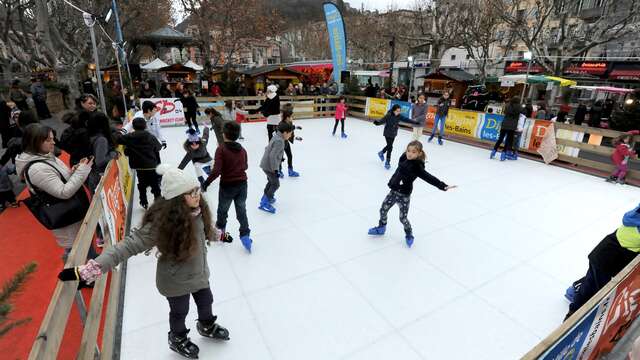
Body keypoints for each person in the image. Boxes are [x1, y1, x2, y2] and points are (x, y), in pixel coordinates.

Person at [56, 164, 230, 359]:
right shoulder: (162, 224)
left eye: (197, 190)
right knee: (180, 310)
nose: (197, 195)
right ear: (177, 200)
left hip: (199, 272)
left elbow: (207, 230)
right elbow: (128, 245)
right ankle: (177, 337)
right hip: (175, 280)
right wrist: (93, 268)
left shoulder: (199, 212)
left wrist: (220, 235)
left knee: (206, 300)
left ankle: (206, 325)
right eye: (190, 193)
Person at [15, 123, 96, 260]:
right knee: (76, 254)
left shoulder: (46, 156)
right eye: (48, 140)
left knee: (85, 248)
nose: (53, 142)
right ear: (35, 142)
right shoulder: (37, 168)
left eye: (52, 138)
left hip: (73, 214)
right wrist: (82, 171)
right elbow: (63, 192)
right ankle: (79, 278)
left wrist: (75, 171)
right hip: (67, 219)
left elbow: (61, 180)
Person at [367, 141, 456, 247]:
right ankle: (381, 227)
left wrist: (442, 186)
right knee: (383, 209)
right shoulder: (403, 157)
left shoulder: (417, 167)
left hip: (404, 195)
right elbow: (398, 171)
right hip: (394, 191)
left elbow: (429, 177)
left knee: (403, 218)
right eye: (408, 150)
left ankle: (409, 234)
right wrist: (393, 182)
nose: (410, 153)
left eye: (413, 152)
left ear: (419, 153)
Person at [564, 204, 640, 320]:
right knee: (593, 288)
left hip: (621, 255)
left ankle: (577, 290)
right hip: (607, 255)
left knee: (596, 282)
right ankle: (572, 317)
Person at [202, 122, 252, 252]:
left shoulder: (221, 149)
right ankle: (245, 235)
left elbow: (217, 170)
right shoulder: (242, 150)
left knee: (222, 211)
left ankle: (221, 233)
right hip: (242, 185)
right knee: (241, 210)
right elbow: (245, 166)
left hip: (227, 186)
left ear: (224, 135)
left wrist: (206, 183)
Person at [115, 117, 162, 209]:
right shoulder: (150, 136)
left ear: (133, 126)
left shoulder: (129, 137)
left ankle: (143, 201)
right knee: (155, 183)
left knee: (142, 183)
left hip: (139, 166)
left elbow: (118, 139)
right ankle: (158, 200)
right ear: (145, 126)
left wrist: (117, 131)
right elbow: (158, 147)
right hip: (151, 165)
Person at [258, 121, 294, 214]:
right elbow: (272, 156)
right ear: (285, 132)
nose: (290, 136)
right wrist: (275, 170)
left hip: (266, 164)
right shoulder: (280, 141)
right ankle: (264, 203)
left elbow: (268, 149)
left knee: (271, 182)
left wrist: (280, 158)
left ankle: (266, 198)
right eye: (290, 133)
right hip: (270, 166)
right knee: (275, 184)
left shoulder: (276, 136)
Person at [374, 104, 421, 170]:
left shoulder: (399, 116)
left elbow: (406, 119)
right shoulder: (388, 115)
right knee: (390, 147)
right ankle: (387, 161)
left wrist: (415, 122)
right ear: (393, 110)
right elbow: (382, 120)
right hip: (387, 133)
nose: (398, 112)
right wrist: (377, 123)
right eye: (397, 111)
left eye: (399, 111)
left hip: (393, 133)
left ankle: (381, 152)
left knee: (389, 145)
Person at [86, 112, 118, 192]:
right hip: (99, 179)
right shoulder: (101, 140)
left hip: (93, 176)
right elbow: (100, 161)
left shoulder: (90, 135)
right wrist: (113, 154)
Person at [490, 96, 520, 161]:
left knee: (500, 139)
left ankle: (494, 151)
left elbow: (504, 112)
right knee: (508, 141)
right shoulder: (519, 107)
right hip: (512, 126)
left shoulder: (507, 105)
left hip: (504, 124)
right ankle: (503, 154)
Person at [280, 107, 302, 178]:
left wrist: (295, 138)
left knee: (290, 156)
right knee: (280, 157)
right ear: (287, 117)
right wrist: (294, 128)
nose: (292, 118)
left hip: (286, 142)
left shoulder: (289, 123)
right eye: (291, 116)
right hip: (280, 143)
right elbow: (286, 133)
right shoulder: (282, 124)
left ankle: (290, 170)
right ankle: (279, 171)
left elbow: (290, 132)